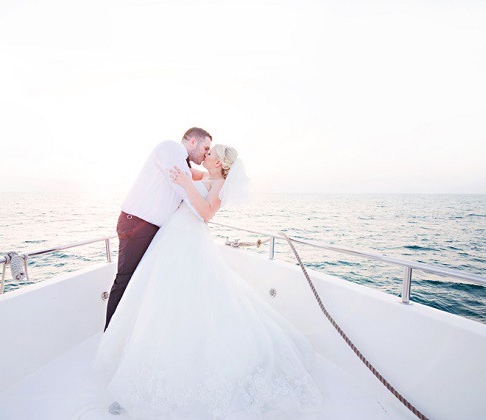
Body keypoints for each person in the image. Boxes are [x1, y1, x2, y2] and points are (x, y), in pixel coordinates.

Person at [92, 144, 391, 419]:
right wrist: (181, 179)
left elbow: (205, 213)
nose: (206, 155)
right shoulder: (206, 176)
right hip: (172, 238)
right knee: (165, 301)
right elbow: (183, 177)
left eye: (210, 153)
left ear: (219, 163)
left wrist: (186, 185)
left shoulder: (219, 185)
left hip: (187, 239)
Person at [104, 127, 212, 331]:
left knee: (144, 283)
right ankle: (110, 334)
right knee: (126, 280)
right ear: (193, 142)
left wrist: (222, 174)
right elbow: (184, 188)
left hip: (153, 229)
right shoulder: (170, 149)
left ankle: (131, 332)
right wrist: (203, 212)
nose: (206, 153)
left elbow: (202, 176)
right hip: (137, 225)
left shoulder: (183, 162)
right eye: (205, 148)